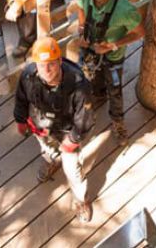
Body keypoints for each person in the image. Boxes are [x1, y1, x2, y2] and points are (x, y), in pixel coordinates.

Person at [13, 37, 94, 222]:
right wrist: (20, 120)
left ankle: (81, 200)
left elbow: (85, 118)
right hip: (41, 125)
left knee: (73, 168)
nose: (46, 70)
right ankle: (52, 161)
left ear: (59, 61)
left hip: (67, 130)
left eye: (51, 64)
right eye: (42, 65)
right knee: (47, 149)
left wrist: (72, 140)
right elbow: (21, 99)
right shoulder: (28, 76)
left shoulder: (78, 84)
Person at [69, 0, 144, 145]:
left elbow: (140, 33)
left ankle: (117, 121)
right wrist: (81, 28)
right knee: (87, 81)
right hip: (90, 51)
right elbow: (80, 6)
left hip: (112, 56)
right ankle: (97, 95)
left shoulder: (124, 10)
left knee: (115, 90)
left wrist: (113, 45)